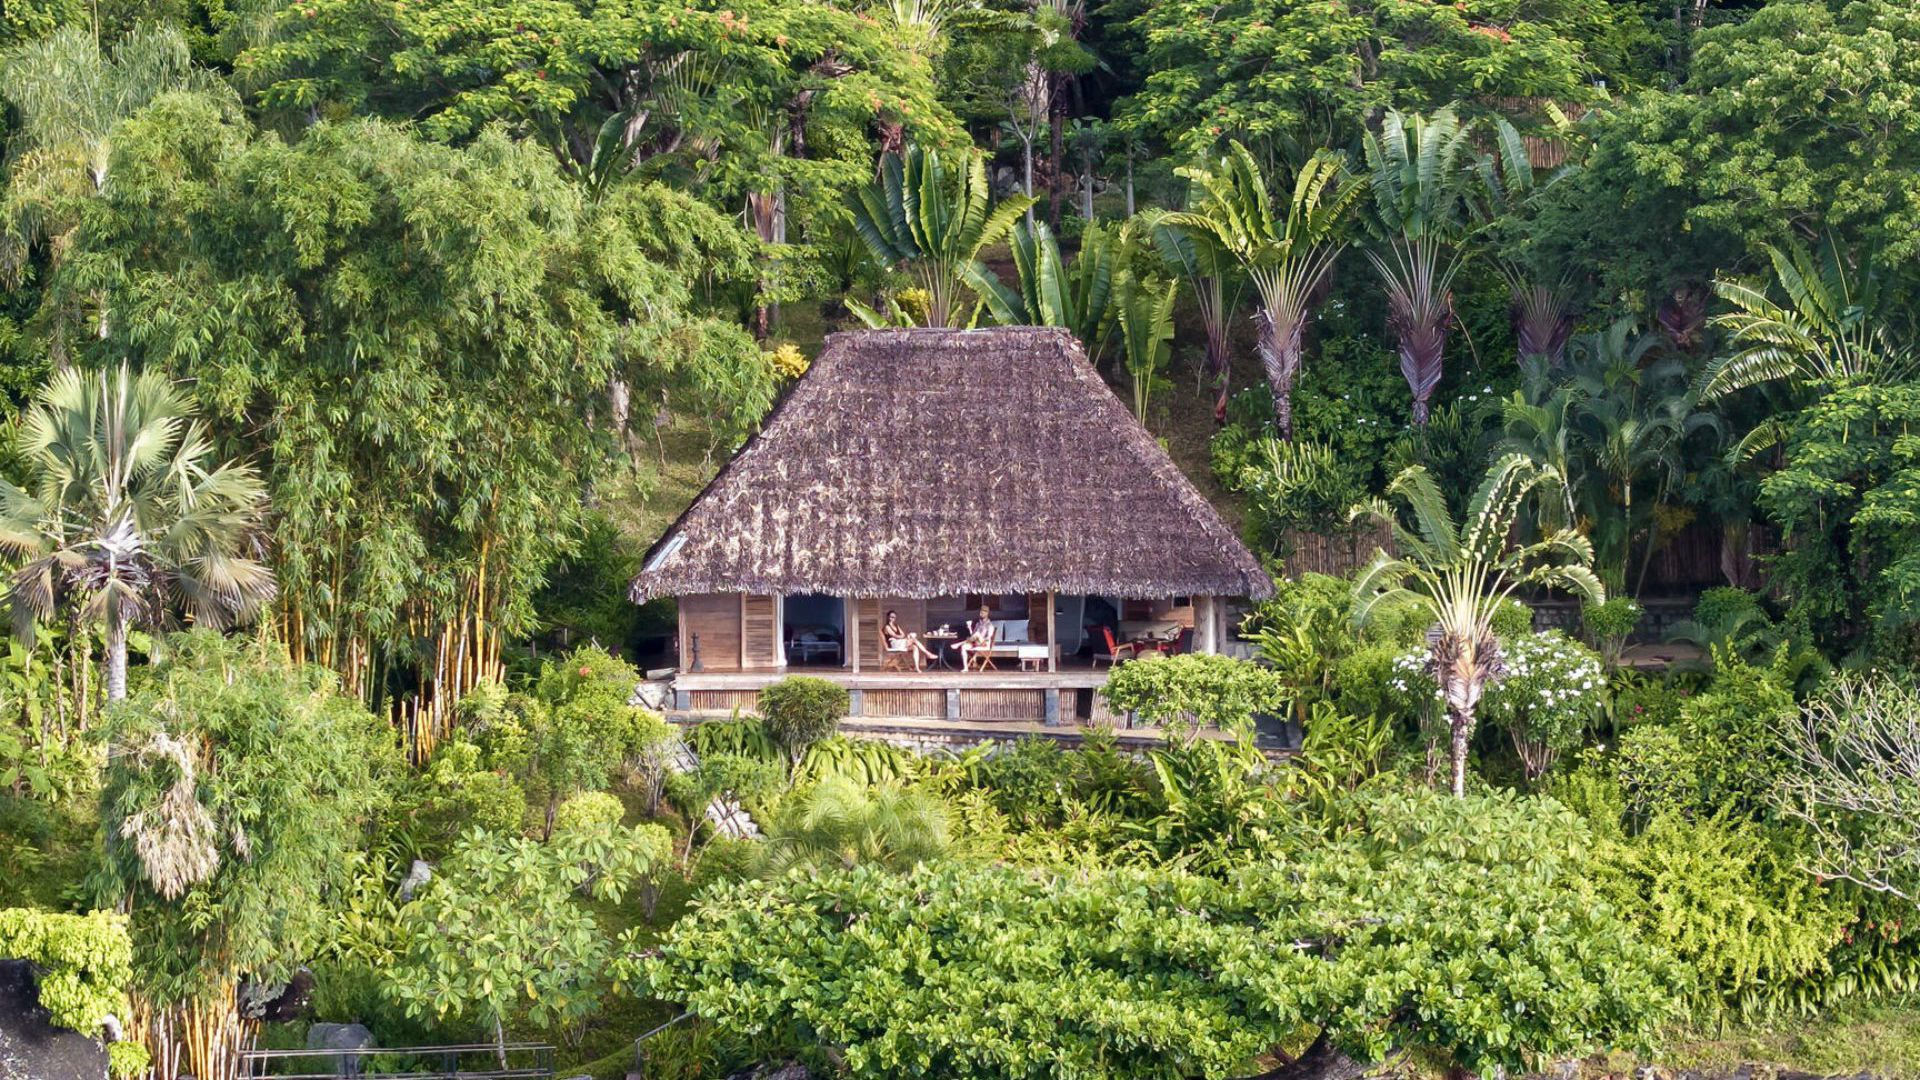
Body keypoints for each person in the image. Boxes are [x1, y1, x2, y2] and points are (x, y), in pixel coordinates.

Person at [953, 605, 996, 670]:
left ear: (987, 613)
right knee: (964, 647)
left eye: (983, 612)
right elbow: (972, 635)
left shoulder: (990, 625)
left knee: (978, 634)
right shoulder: (978, 624)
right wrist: (970, 628)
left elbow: (988, 637)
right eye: (980, 612)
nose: (981, 613)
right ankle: (965, 668)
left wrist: (979, 637)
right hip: (975, 642)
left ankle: (959, 643)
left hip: (984, 644)